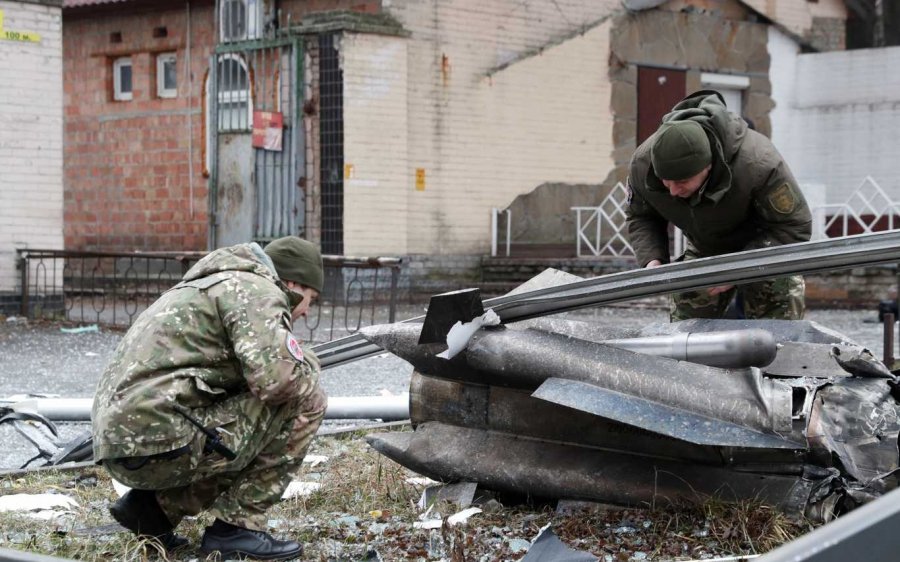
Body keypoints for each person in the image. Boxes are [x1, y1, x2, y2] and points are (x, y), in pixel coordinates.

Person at [91, 236, 328, 560]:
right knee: (306, 400)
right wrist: (307, 363)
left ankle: (152, 511)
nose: (305, 311)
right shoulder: (257, 290)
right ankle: (237, 528)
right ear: (293, 283)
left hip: (124, 441)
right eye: (310, 298)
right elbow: (277, 383)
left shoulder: (214, 283)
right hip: (157, 437)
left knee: (246, 418)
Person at [625, 90, 812, 321]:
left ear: (708, 167)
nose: (673, 191)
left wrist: (740, 267)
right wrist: (652, 259)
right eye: (666, 182)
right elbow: (641, 215)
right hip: (706, 249)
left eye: (682, 182)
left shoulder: (759, 163)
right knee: (685, 333)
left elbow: (794, 226)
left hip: (765, 251)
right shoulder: (643, 164)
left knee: (779, 334)